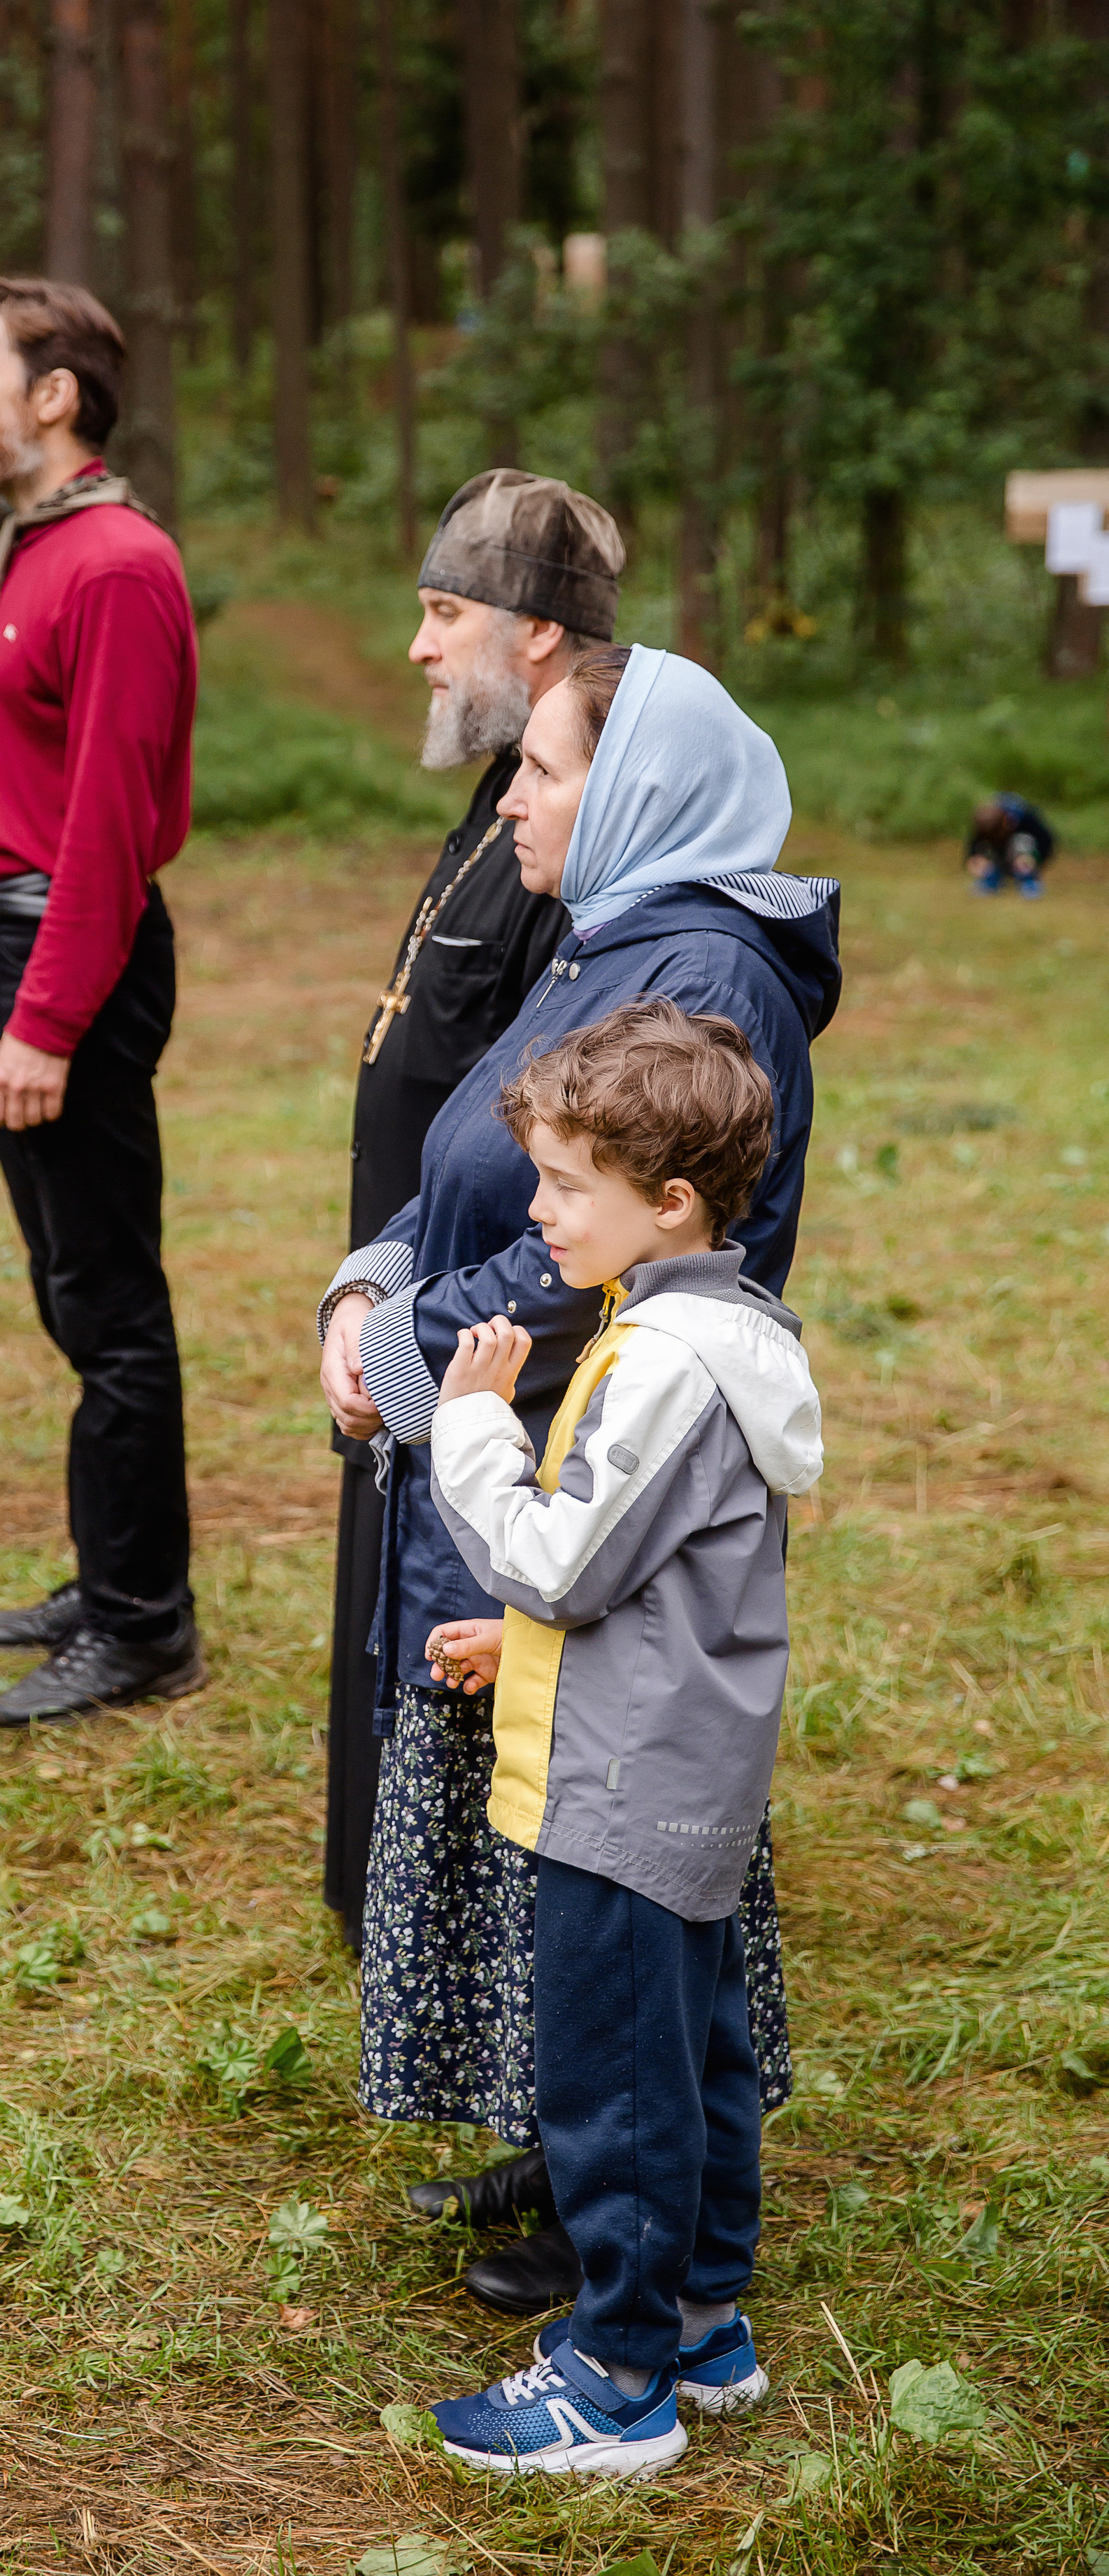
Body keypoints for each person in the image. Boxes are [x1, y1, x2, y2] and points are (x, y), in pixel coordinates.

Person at [317, 643, 840, 2318]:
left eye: (539, 771)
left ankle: (624, 2255)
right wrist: (369, 1279)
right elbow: (488, 1152)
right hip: (523, 1445)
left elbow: (581, 1239)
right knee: (536, 1825)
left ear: (625, 789)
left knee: (605, 1884)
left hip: (560, 1457)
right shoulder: (605, 930)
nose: (514, 800)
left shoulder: (699, 967)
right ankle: (566, 2148)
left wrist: (421, 1370)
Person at [421, 999, 822, 2478]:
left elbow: (559, 1560)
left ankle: (614, 2377)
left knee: (613, 2080)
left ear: (665, 1204)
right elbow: (643, 1576)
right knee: (695, 2047)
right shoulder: (715, 1330)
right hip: (676, 1769)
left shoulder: (657, 1361)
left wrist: (468, 1427)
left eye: (561, 1185)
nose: (534, 1209)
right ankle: (702, 2321)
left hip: (618, 1784)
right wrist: (511, 1641)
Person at [327, 471, 624, 1959]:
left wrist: (413, 1326)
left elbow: (550, 1151)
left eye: (444, 615)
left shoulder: (572, 855)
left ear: (540, 641)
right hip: (410, 1307)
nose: (417, 648)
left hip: (482, 1341)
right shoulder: (495, 802)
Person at [0, 278, 200, 1729]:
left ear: (53, 398)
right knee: (74, 1300)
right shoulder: (27, 551)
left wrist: (46, 1016)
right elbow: (10, 811)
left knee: (111, 1307)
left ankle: (146, 1626)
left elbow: (103, 826)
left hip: (67, 958)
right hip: (10, 949)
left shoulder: (116, 566)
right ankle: (112, 1576)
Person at [966, 791, 1054, 896]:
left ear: (1006, 822)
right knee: (984, 847)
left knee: (1022, 841)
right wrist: (974, 859)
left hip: (1020, 855)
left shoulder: (1025, 817)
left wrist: (1035, 857)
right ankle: (992, 880)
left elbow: (1047, 840)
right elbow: (974, 843)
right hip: (999, 857)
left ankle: (1028, 881)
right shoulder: (986, 822)